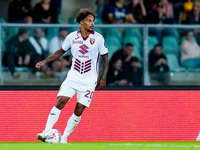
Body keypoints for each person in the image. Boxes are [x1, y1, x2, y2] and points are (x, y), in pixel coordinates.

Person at [35, 8, 109, 143]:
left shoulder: (98, 38)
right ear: (81, 22)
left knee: (79, 109)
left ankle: (64, 137)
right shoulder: (72, 37)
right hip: (73, 77)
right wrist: (44, 61)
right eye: (89, 21)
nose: (92, 23)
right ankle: (45, 132)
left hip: (89, 80)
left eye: (93, 21)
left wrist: (103, 78)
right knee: (60, 101)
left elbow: (105, 58)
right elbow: (60, 52)